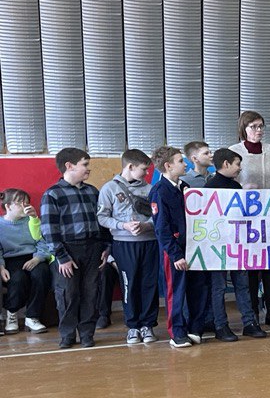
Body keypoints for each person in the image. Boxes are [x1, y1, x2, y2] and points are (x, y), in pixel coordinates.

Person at [40, 148, 110, 349]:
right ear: (69, 166)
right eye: (84, 165)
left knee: (91, 292)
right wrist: (61, 256)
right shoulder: (53, 194)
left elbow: (102, 222)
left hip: (93, 248)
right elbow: (49, 229)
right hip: (68, 250)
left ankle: (87, 334)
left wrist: (106, 247)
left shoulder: (92, 192)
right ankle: (67, 334)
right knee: (68, 294)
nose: (88, 169)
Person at [203, 148, 268, 341]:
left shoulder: (236, 187)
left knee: (243, 284)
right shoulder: (210, 187)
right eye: (237, 164)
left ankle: (249, 323)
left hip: (237, 245)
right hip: (217, 247)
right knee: (218, 287)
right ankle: (220, 325)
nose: (240, 168)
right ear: (226, 164)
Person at [96, 150, 159, 345]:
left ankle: (148, 324)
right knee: (128, 284)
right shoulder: (109, 189)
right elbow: (102, 217)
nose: (147, 173)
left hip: (149, 242)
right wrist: (123, 225)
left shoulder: (151, 189)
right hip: (123, 244)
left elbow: (158, 216)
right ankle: (133, 326)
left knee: (149, 284)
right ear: (130, 167)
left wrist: (146, 226)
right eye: (144, 169)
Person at [151, 145, 210, 349]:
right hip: (175, 251)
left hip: (192, 247)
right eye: (180, 161)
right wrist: (175, 255)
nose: (185, 164)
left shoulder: (184, 186)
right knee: (176, 291)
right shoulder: (160, 191)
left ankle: (195, 328)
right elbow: (161, 228)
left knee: (198, 288)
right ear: (168, 166)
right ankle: (177, 332)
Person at [231, 111, 270, 326]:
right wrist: (243, 188)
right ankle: (251, 310)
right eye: (253, 126)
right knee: (251, 266)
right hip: (246, 216)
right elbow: (229, 183)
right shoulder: (234, 151)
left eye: (261, 126)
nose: (258, 130)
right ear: (244, 128)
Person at [0, 189, 52, 334]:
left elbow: (42, 241)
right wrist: (1, 267)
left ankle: (32, 317)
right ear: (8, 206)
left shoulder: (32, 221)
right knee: (17, 278)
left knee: (41, 273)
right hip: (10, 259)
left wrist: (38, 258)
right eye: (20, 203)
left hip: (33, 256)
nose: (25, 206)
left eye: (27, 203)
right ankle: (12, 313)